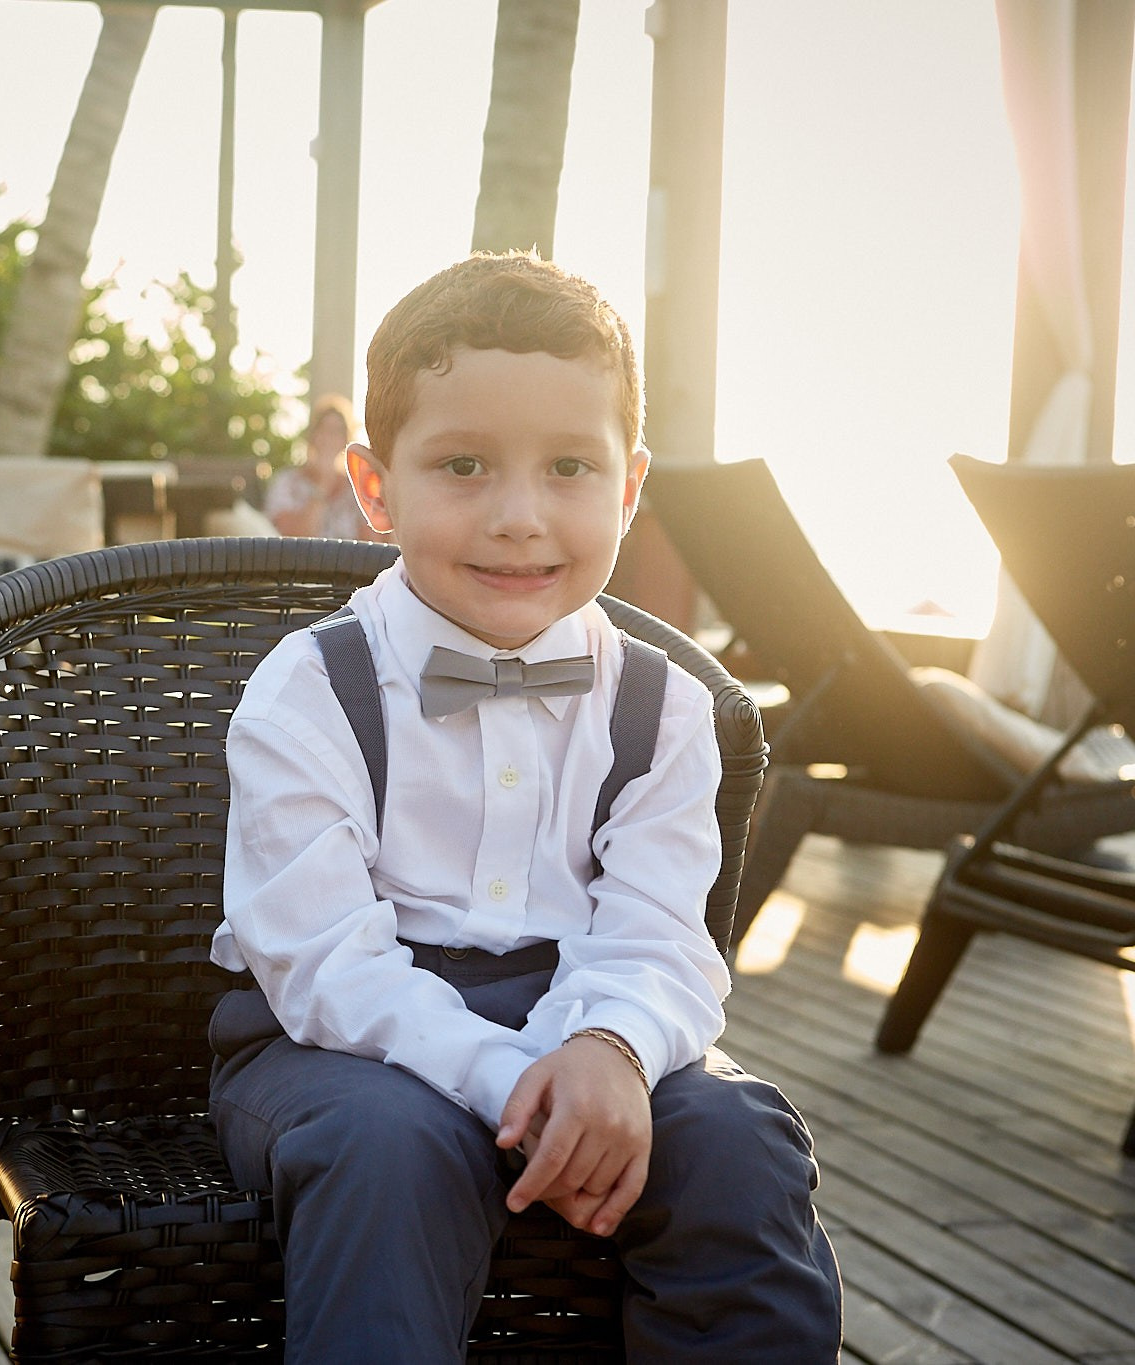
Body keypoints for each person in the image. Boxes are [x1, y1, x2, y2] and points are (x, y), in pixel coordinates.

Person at [208, 251, 842, 1362]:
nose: (518, 517)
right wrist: (509, 1079)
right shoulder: (309, 689)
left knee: (738, 1141)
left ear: (629, 486)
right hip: (338, 1044)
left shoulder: (666, 709)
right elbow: (317, 961)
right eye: (461, 465)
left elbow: (657, 936)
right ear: (374, 489)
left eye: (567, 468)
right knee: (389, 1154)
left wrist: (604, 1047)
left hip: (580, 1011)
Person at [266, 393, 372, 539]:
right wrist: (322, 485)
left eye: (337, 431)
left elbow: (371, 544)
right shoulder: (287, 482)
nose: (329, 438)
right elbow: (294, 536)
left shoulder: (356, 490)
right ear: (312, 435)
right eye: (324, 429)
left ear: (346, 440)